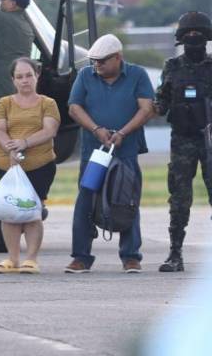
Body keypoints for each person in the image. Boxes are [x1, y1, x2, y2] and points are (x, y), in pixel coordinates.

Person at [65, 34, 154, 274]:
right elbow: (74, 107)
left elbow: (147, 109)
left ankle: (131, 256)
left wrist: (123, 132)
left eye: (102, 61)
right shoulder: (85, 75)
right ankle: (81, 257)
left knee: (127, 200)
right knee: (86, 199)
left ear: (118, 58)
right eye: (94, 60)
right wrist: (96, 129)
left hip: (125, 152)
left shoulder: (137, 74)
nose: (97, 65)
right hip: (94, 153)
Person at [154, 11, 212, 273]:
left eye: (198, 33)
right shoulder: (172, 67)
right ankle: (175, 253)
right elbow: (161, 101)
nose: (193, 37)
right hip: (182, 141)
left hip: (209, 140)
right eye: (188, 33)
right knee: (179, 200)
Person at [0, 57, 60, 274]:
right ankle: (12, 259)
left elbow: (49, 130)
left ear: (37, 76)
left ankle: (31, 259)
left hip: (39, 164)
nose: (25, 81)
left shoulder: (48, 103)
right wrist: (11, 148)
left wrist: (24, 143)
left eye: (29, 75)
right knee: (9, 212)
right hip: (7, 165)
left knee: (32, 212)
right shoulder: (4, 103)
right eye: (19, 77)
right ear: (13, 80)